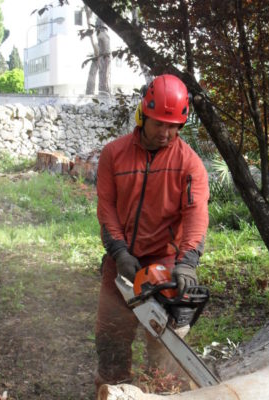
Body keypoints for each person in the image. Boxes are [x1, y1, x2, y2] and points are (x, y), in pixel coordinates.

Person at [94, 74, 210, 391]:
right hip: (121, 260)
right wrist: (119, 252)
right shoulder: (113, 155)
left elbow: (196, 213)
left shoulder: (189, 164)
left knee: (166, 345)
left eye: (173, 126)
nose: (166, 133)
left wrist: (187, 262)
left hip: (165, 260)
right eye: (159, 123)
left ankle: (161, 391)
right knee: (111, 338)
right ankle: (113, 392)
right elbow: (107, 209)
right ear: (143, 114)